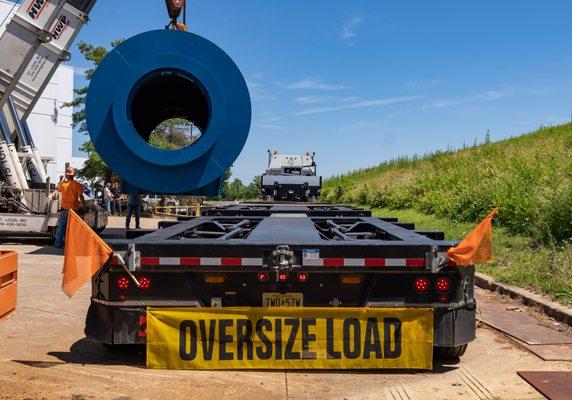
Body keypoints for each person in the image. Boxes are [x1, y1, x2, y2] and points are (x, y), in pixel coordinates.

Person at [54, 167, 85, 248]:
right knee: (72, 228)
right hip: (73, 209)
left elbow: (58, 189)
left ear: (66, 175)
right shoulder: (77, 185)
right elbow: (81, 197)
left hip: (64, 209)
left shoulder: (62, 184)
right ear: (73, 175)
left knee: (61, 227)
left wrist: (60, 180)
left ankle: (58, 244)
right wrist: (83, 205)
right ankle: (71, 246)